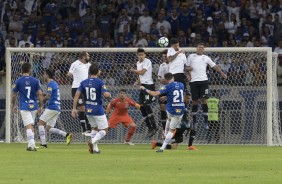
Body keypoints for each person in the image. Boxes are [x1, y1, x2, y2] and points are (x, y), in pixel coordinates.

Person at [186, 42, 227, 150]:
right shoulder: (191, 56)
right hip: (194, 81)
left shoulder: (206, 58)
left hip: (204, 81)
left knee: (204, 100)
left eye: (202, 48)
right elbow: (186, 67)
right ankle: (194, 120)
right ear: (196, 48)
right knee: (194, 101)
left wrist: (221, 72)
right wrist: (188, 73)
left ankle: (205, 121)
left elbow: (214, 66)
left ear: (204, 49)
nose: (200, 49)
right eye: (199, 47)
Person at [72, 63, 111, 154]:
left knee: (94, 128)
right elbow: (105, 95)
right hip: (97, 109)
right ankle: (91, 142)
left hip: (88, 110)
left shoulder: (83, 82)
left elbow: (76, 95)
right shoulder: (100, 82)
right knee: (105, 129)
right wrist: (109, 94)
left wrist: (74, 108)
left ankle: (95, 149)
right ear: (98, 72)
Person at [140, 73, 185, 153]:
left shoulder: (167, 86)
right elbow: (177, 94)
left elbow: (154, 93)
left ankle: (162, 147)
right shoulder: (181, 85)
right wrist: (168, 97)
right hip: (180, 109)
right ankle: (165, 135)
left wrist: (144, 89)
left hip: (171, 109)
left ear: (166, 80)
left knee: (170, 124)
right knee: (171, 125)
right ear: (173, 77)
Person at [11, 62, 44, 151]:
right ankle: (31, 145)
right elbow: (40, 94)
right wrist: (41, 106)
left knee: (28, 125)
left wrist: (13, 105)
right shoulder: (36, 80)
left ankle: (31, 145)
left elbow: (13, 95)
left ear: (22, 70)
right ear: (30, 70)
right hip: (34, 106)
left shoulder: (18, 81)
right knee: (31, 125)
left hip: (24, 106)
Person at [38, 69, 73, 148]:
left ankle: (43, 143)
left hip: (52, 107)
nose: (43, 76)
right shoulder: (54, 83)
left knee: (40, 123)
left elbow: (49, 95)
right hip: (57, 108)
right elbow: (50, 94)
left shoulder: (50, 83)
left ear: (47, 75)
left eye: (44, 74)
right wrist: (43, 94)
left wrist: (41, 102)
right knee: (48, 128)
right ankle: (67, 135)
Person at [130, 48, 158, 138]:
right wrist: (137, 81)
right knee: (141, 107)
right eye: (139, 55)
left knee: (146, 105)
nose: (141, 56)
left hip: (149, 86)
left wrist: (133, 71)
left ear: (145, 55)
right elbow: (140, 75)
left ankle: (154, 126)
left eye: (142, 54)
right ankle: (150, 127)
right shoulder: (138, 63)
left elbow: (142, 72)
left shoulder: (147, 61)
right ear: (137, 55)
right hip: (142, 86)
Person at [67, 51, 91, 135]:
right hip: (77, 88)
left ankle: (89, 128)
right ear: (84, 57)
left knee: (87, 108)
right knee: (82, 108)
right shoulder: (75, 64)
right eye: (88, 56)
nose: (89, 57)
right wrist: (71, 74)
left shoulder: (88, 65)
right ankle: (85, 129)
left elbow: (94, 71)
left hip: (86, 88)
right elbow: (69, 74)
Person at [167, 38, 189, 123]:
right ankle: (173, 116)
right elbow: (169, 59)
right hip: (173, 75)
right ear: (172, 46)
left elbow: (185, 65)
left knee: (184, 95)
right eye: (175, 46)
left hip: (181, 75)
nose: (177, 47)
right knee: (174, 96)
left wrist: (188, 73)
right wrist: (177, 52)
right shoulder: (170, 50)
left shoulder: (182, 52)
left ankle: (184, 117)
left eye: (178, 45)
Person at [157, 49, 169, 138]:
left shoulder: (174, 65)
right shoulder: (162, 65)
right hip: (163, 89)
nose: (164, 57)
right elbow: (159, 77)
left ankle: (172, 130)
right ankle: (164, 130)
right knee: (162, 108)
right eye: (163, 56)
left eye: (166, 56)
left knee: (171, 110)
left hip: (171, 90)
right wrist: (161, 80)